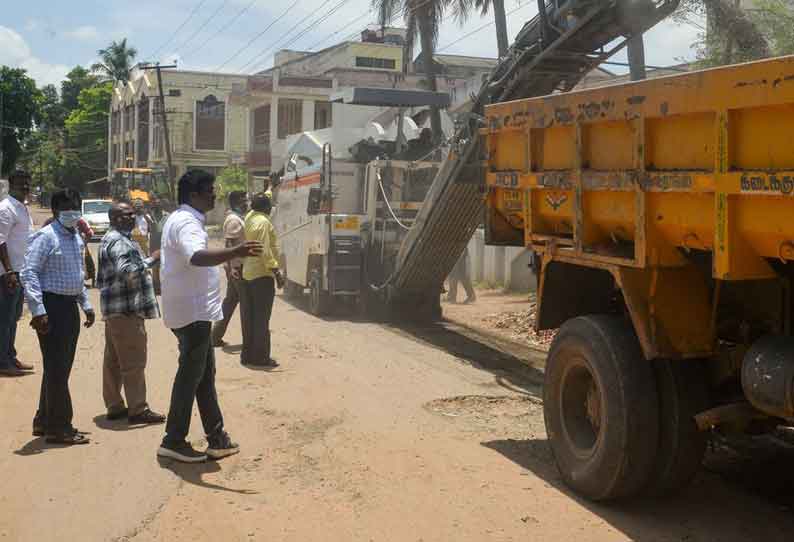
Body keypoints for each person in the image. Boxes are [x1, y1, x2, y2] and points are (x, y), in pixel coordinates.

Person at [157, 170, 262, 463]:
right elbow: (196, 256)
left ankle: (216, 438)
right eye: (209, 191)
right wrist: (236, 251)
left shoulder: (181, 219)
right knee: (190, 377)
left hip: (194, 312)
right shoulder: (187, 223)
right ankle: (173, 439)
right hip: (193, 314)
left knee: (203, 376)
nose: (214, 195)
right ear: (193, 195)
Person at [22, 188, 96, 445]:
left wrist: (86, 304)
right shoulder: (46, 237)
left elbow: (77, 275)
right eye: (66, 208)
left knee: (58, 369)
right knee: (56, 369)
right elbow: (29, 273)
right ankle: (60, 427)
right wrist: (38, 311)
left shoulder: (75, 237)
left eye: (75, 206)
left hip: (69, 308)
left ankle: (44, 420)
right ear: (55, 211)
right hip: (51, 308)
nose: (72, 212)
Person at [97, 202, 166, 425]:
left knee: (114, 360)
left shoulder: (113, 238)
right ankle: (138, 409)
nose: (132, 218)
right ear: (115, 218)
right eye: (126, 215)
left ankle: (115, 405)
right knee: (133, 361)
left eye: (132, 214)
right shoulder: (118, 241)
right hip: (126, 310)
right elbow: (126, 271)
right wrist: (152, 259)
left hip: (115, 310)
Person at [239, 192, 284, 368]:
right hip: (262, 275)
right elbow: (264, 251)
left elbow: (261, 199)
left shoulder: (249, 217)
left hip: (247, 273)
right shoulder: (264, 222)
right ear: (267, 208)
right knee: (262, 319)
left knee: (248, 318)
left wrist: (270, 188)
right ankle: (261, 357)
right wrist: (277, 273)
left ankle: (247, 355)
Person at [0, 171, 34, 376]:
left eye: (28, 184)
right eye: (22, 184)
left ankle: (10, 356)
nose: (25, 188)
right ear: (12, 185)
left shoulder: (22, 208)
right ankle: (3, 362)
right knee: (4, 318)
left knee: (13, 318)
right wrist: (9, 271)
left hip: (21, 271)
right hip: (7, 274)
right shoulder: (5, 208)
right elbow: (0, 241)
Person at [211, 191, 248, 348]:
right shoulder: (234, 220)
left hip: (236, 266)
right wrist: (232, 267)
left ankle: (215, 336)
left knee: (230, 302)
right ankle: (250, 340)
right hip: (238, 267)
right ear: (236, 202)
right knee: (246, 303)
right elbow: (229, 244)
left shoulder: (238, 218)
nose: (247, 202)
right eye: (244, 200)